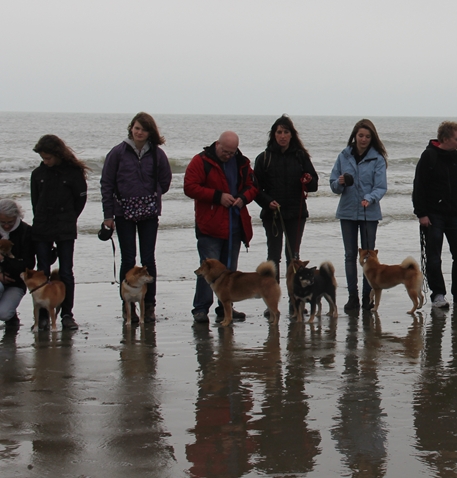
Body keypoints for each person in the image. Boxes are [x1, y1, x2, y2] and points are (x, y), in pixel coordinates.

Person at [100, 112, 173, 324]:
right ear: (131, 128)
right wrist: (108, 215)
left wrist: (154, 193)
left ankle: (149, 305)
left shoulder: (158, 154)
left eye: (143, 129)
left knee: (148, 259)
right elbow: (106, 184)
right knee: (128, 259)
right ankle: (128, 307)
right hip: (123, 213)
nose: (139, 132)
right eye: (136, 128)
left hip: (149, 213)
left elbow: (166, 180)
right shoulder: (117, 153)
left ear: (150, 132)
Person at [183, 131, 259, 324]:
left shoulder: (242, 162)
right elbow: (189, 187)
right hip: (210, 226)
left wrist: (243, 198)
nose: (228, 156)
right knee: (207, 270)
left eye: (231, 152)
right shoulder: (200, 161)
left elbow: (252, 186)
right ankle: (200, 309)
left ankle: (226, 308)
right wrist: (218, 196)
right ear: (217, 144)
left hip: (234, 225)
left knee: (230, 271)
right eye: (225, 151)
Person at [412, 121, 457, 309]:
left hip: (456, 214)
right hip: (433, 215)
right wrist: (421, 214)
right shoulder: (428, 156)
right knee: (434, 257)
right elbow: (419, 187)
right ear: (446, 138)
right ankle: (438, 294)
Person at [30, 135, 89, 330]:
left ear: (57, 154)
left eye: (48, 158)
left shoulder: (73, 173)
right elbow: (35, 202)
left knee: (66, 271)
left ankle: (66, 313)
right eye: (43, 158)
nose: (45, 161)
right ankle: (44, 316)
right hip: (42, 226)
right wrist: (41, 220)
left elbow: (80, 200)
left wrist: (70, 218)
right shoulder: (38, 174)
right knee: (43, 269)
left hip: (65, 227)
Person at [331, 119, 388, 313]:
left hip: (368, 213)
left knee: (369, 256)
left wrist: (370, 198)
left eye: (367, 136)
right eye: (360, 135)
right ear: (354, 136)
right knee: (350, 255)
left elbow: (381, 187)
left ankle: (367, 296)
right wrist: (340, 182)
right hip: (347, 211)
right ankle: (352, 297)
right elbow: (333, 185)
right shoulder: (344, 156)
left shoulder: (377, 159)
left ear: (372, 138)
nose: (363, 139)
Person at [253, 115, 318, 280]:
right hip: (273, 215)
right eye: (279, 132)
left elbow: (314, 185)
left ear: (291, 135)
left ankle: (294, 299)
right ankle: (272, 300)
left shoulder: (300, 156)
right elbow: (255, 189)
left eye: (286, 132)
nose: (282, 136)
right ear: (273, 134)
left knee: (293, 258)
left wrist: (308, 180)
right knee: (273, 258)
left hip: (296, 213)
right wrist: (268, 202)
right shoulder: (264, 158)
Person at [0, 199, 34, 332]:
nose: (6, 226)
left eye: (10, 222)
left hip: (16, 282)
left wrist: (3, 260)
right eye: (3, 222)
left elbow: (27, 264)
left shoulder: (26, 232)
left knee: (3, 313)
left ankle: (11, 315)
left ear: (17, 217)